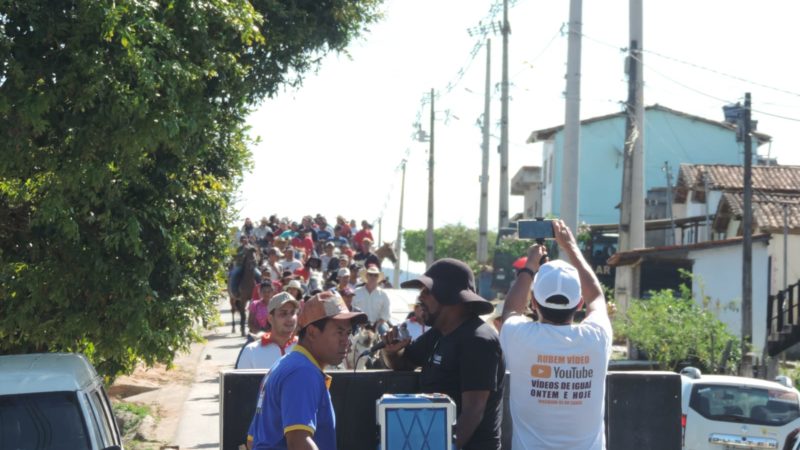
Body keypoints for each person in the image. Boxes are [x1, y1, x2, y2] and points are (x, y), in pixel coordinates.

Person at [500, 219, 612, 450]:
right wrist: (571, 247)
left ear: (534, 303)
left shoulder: (519, 337)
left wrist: (530, 265)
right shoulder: (596, 338)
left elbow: (511, 309)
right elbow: (597, 299)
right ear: (578, 303)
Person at [381, 258, 505, 450]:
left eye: (427, 291)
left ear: (450, 297)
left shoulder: (478, 340)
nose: (420, 297)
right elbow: (403, 364)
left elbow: (473, 411)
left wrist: (443, 447)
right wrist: (391, 352)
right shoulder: (439, 333)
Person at [248, 292, 367, 450]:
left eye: (348, 333)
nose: (347, 341)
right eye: (339, 332)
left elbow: (251, 440)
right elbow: (299, 444)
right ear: (312, 332)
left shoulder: (286, 364)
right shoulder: (302, 373)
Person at [237, 292, 300, 369]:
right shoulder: (251, 351)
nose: (290, 318)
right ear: (270, 318)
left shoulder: (306, 348)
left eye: (293, 313)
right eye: (283, 313)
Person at [352, 264, 392, 334]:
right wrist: (360, 323)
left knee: (387, 338)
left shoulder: (383, 294)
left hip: (378, 325)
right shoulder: (356, 292)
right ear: (366, 276)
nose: (373, 277)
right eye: (371, 274)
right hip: (359, 325)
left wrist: (376, 325)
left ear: (378, 277)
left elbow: (386, 314)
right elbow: (351, 310)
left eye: (375, 275)